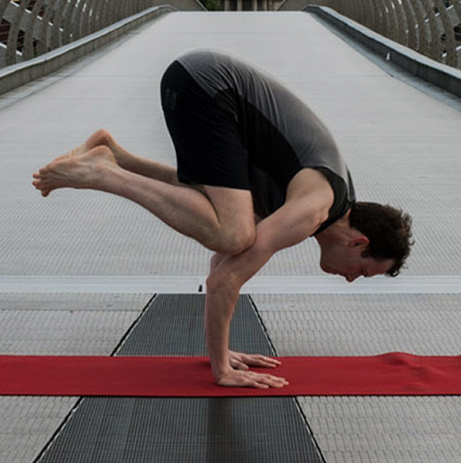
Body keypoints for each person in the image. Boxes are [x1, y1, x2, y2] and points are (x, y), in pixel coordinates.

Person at [33, 49, 413, 389]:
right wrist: (222, 370)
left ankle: (114, 155)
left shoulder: (321, 202)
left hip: (201, 82)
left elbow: (222, 265)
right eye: (361, 272)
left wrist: (223, 348)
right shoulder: (313, 208)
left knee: (227, 223)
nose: (350, 279)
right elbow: (224, 278)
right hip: (208, 87)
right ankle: (103, 173)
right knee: (232, 232)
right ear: (358, 242)